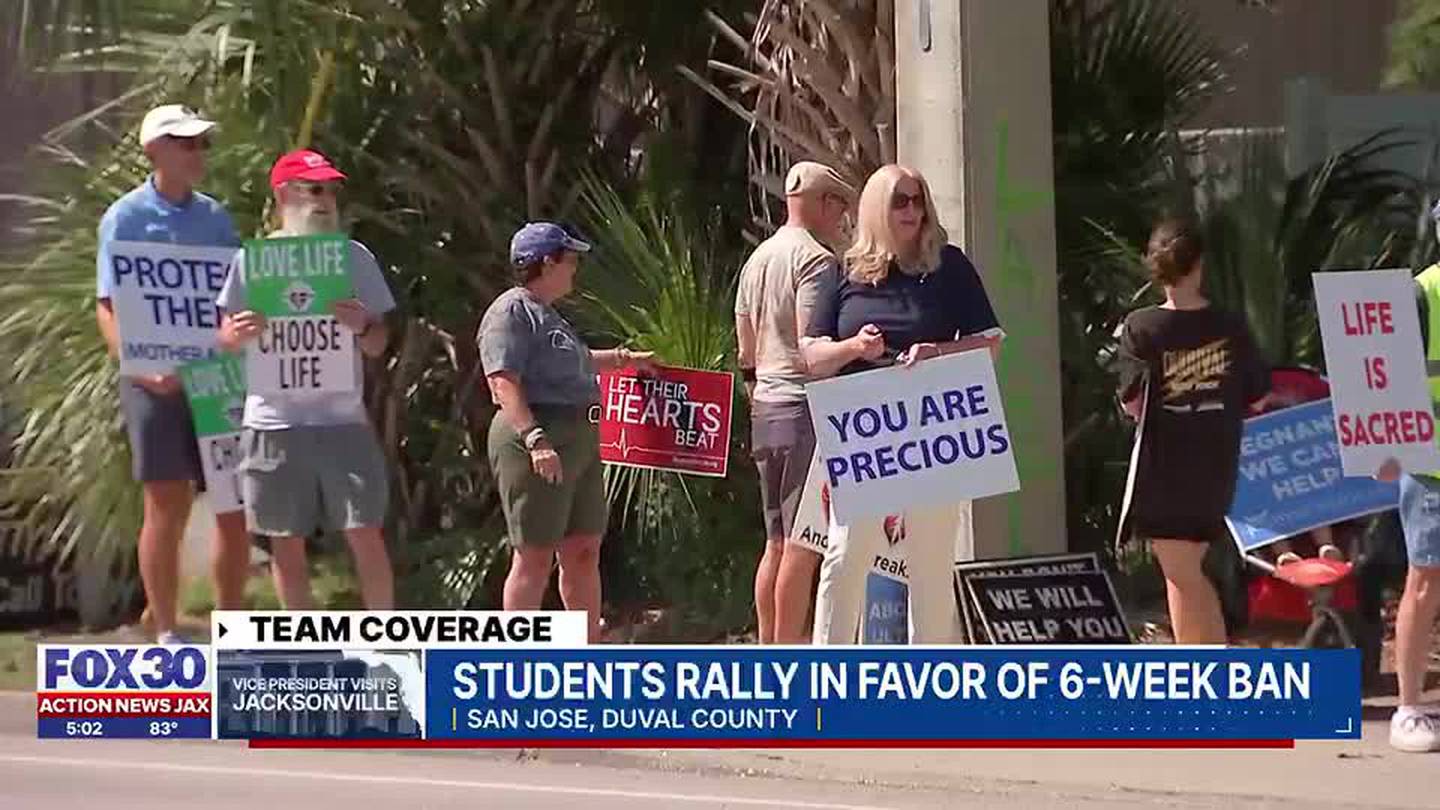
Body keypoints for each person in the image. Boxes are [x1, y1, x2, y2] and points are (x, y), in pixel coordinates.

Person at [802, 164, 1003, 644]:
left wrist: (939, 351)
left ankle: (931, 686)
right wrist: (853, 347)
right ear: (876, 208)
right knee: (846, 553)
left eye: (918, 200)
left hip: (933, 426)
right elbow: (811, 354)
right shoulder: (844, 270)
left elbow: (990, 342)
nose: (912, 210)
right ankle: (829, 678)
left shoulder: (949, 266)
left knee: (932, 563)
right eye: (900, 201)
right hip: (866, 427)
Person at [95, 104, 251, 642]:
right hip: (150, 379)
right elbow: (108, 305)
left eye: (202, 143)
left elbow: (233, 297)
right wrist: (135, 364)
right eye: (187, 143)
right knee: (166, 503)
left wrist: (233, 333)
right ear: (154, 149)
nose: (198, 153)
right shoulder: (124, 217)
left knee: (233, 505)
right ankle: (166, 628)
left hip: (217, 374)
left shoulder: (217, 219)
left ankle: (231, 627)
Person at [215, 149, 396, 610]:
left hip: (342, 421)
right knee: (284, 540)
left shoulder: (353, 258)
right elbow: (225, 337)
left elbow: (379, 344)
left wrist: (363, 327)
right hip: (272, 422)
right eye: (314, 190)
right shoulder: (252, 261)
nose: (325, 200)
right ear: (283, 196)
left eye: (331, 191)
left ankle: (386, 642)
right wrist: (235, 334)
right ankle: (302, 642)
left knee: (365, 531)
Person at [478, 222, 657, 642]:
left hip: (579, 437)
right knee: (535, 555)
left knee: (582, 549)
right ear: (546, 262)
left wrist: (625, 359)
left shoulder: (550, 316)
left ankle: (586, 650)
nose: (576, 267)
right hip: (537, 436)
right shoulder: (511, 311)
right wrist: (535, 440)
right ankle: (516, 660)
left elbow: (570, 363)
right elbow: (503, 380)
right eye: (570, 258)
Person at [1115, 217, 1269, 646]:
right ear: (1199, 265)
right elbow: (1256, 396)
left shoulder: (1142, 327)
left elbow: (1132, 403)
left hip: (1165, 467)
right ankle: (1205, 675)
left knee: (1182, 575)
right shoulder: (1230, 325)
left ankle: (1201, 680)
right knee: (1184, 573)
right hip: (1216, 463)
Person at [735, 161, 853, 644]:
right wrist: (855, 350)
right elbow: (813, 348)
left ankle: (768, 646)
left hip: (764, 404)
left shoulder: (758, 258)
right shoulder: (815, 262)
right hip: (803, 407)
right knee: (804, 544)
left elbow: (744, 347)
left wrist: (756, 391)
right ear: (822, 203)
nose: (842, 216)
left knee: (775, 540)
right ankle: (787, 655)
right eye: (839, 205)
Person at [1374, 211, 1440, 751]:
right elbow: (1385, 382)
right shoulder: (1423, 294)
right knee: (1425, 580)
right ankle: (1410, 708)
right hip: (1432, 467)